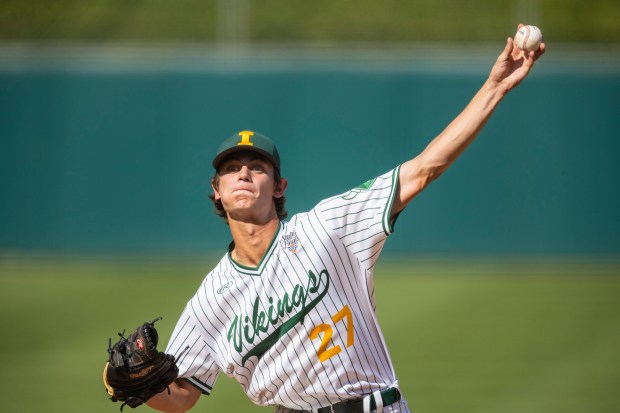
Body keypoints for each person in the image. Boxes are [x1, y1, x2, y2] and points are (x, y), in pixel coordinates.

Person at [147, 29, 545, 413]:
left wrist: (495, 88)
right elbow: (180, 396)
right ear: (216, 189)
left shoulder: (328, 227)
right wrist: (127, 381)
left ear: (280, 185)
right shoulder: (209, 301)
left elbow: (424, 169)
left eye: (257, 166)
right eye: (232, 168)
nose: (245, 174)